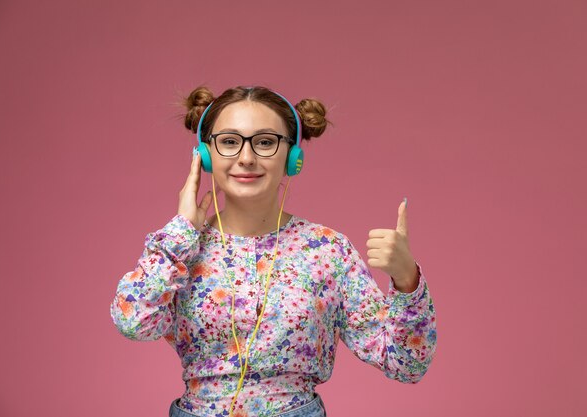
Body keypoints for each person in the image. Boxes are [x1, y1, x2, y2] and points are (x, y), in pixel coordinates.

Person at [110, 85, 437, 417]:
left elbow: (406, 364)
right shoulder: (182, 250)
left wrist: (407, 279)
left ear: (292, 157)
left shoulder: (327, 250)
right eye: (229, 141)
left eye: (265, 142)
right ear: (206, 156)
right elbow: (133, 322)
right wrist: (181, 231)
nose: (247, 157)